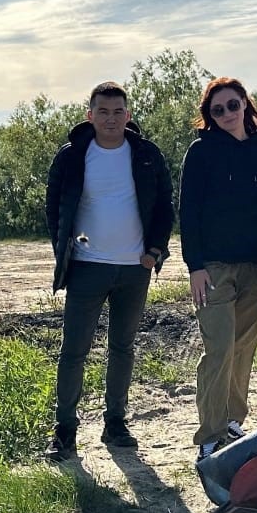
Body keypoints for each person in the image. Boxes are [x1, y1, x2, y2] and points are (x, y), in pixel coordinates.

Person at [43, 81, 174, 462]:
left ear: (128, 115)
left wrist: (154, 251)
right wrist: (64, 250)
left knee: (122, 347)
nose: (111, 118)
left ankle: (115, 424)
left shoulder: (147, 154)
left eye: (118, 112)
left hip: (135, 269)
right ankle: (65, 431)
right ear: (90, 115)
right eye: (103, 111)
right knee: (73, 352)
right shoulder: (72, 155)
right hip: (87, 268)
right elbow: (54, 206)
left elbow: (165, 205)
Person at [180, 77, 257, 461]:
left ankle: (233, 421)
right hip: (215, 269)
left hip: (256, 268)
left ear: (246, 105)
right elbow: (188, 212)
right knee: (219, 348)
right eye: (217, 109)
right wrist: (195, 266)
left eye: (233, 105)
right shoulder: (202, 153)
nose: (226, 113)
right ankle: (209, 435)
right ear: (209, 115)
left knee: (244, 348)